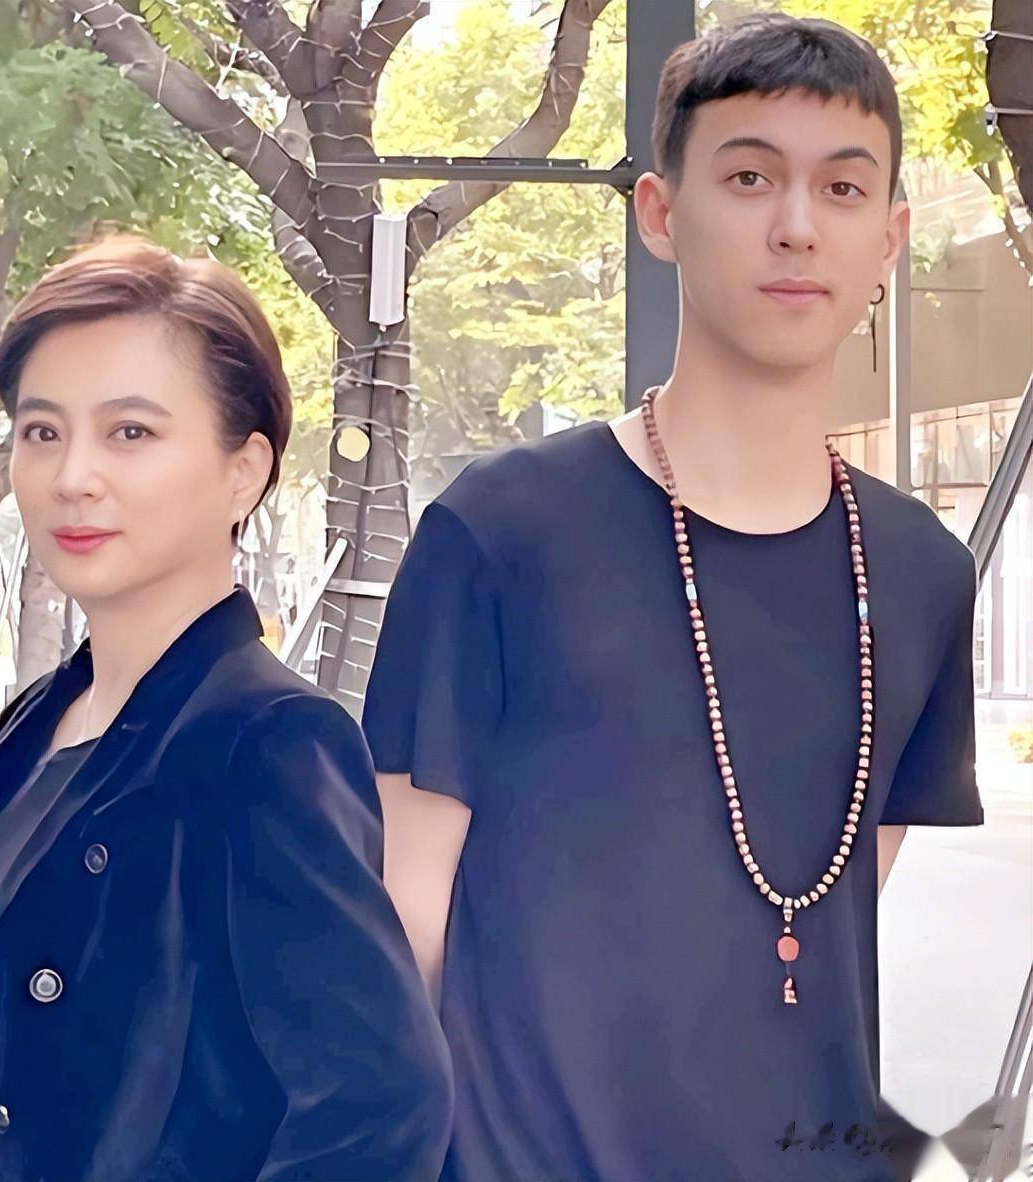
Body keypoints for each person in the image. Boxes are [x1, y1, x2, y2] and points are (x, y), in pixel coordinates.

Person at [362, 15, 983, 1182]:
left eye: (842, 189)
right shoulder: (498, 533)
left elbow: (825, 927)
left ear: (890, 238)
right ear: (659, 213)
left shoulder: (921, 574)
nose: (796, 225)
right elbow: (402, 927)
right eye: (748, 177)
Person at [0, 235, 453, 1182]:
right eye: (42, 432)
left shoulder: (268, 743)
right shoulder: (38, 721)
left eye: (130, 433)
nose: (72, 477)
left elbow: (379, 1112)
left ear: (244, 471)